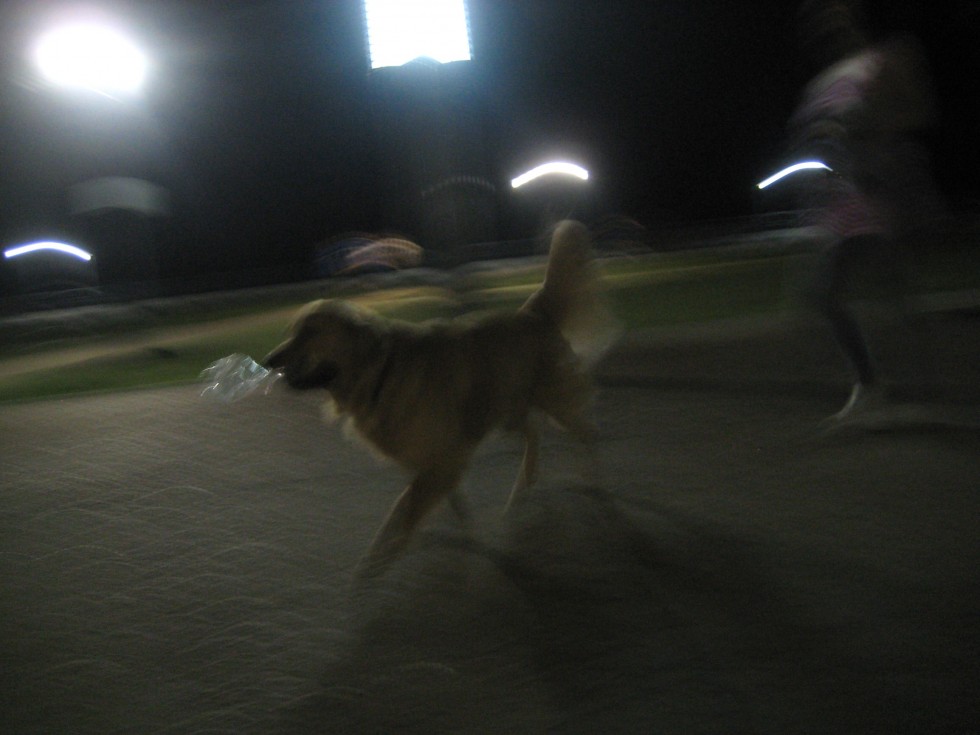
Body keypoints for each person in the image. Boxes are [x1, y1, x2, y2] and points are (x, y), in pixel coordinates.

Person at [789, 0, 944, 421]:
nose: (833, 29)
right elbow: (811, 141)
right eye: (823, 24)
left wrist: (874, 126)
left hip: (880, 193)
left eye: (840, 19)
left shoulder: (884, 61)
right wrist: (820, 143)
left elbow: (919, 112)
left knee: (888, 295)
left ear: (858, 22)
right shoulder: (820, 86)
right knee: (833, 296)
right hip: (841, 204)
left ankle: (907, 393)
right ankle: (879, 386)